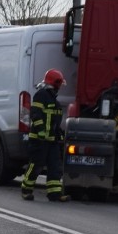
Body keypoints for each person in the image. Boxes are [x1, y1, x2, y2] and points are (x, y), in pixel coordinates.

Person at [21, 69, 70, 202]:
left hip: (51, 141)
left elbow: (54, 122)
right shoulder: (41, 95)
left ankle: (54, 194)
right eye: (59, 84)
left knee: (55, 167)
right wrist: (41, 131)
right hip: (39, 140)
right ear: (55, 83)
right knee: (36, 165)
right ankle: (26, 190)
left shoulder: (53, 99)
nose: (60, 87)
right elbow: (35, 114)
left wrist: (60, 135)